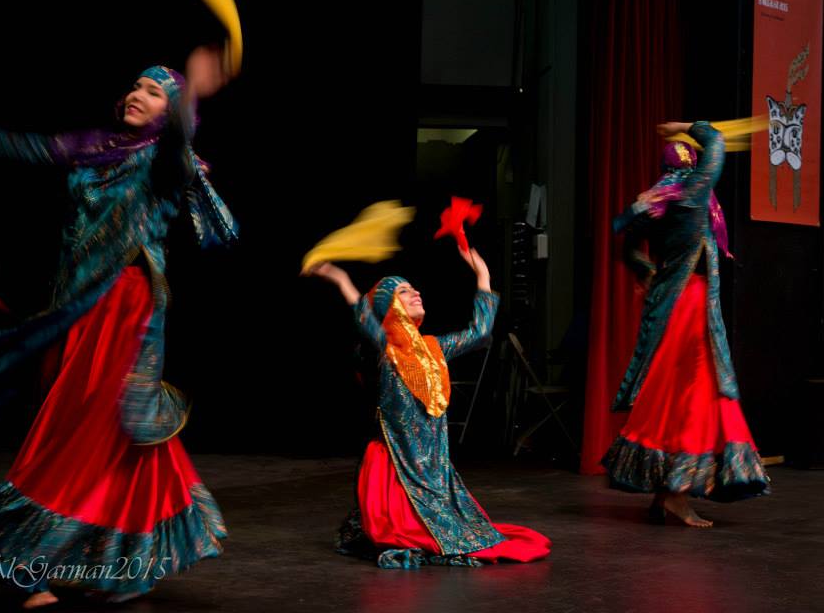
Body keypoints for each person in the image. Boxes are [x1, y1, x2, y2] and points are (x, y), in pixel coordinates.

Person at [0, 46, 236, 607]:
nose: (139, 95)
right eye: (137, 86)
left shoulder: (164, 157)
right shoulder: (96, 146)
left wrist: (191, 97)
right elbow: (32, 147)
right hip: (79, 306)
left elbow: (180, 151)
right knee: (95, 424)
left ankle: (31, 563)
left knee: (99, 424)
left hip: (128, 306)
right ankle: (107, 559)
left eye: (155, 92)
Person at [305, 247, 551, 568]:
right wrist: (340, 279)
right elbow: (364, 318)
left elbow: (479, 333)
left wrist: (483, 275)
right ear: (389, 306)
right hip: (398, 465)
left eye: (413, 288)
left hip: (433, 467)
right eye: (404, 291)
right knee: (413, 535)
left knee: (465, 533)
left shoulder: (436, 347)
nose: (416, 292)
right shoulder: (385, 348)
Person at [602, 121, 770, 528]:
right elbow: (715, 146)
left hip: (671, 305)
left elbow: (622, 235)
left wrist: (644, 269)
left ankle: (667, 493)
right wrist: (691, 127)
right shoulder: (692, 193)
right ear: (692, 164)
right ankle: (675, 494)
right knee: (697, 395)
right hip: (689, 305)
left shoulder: (658, 199)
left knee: (675, 396)